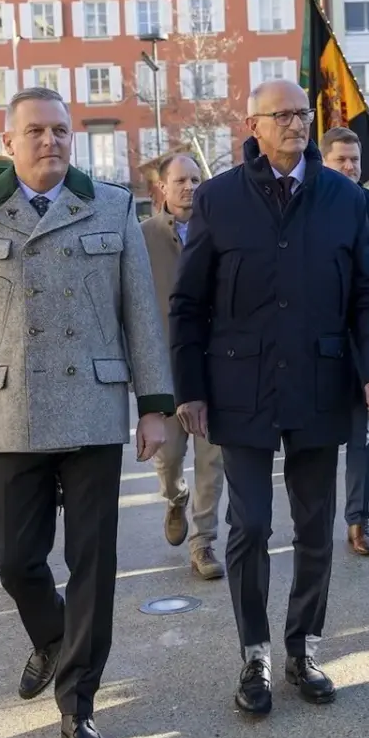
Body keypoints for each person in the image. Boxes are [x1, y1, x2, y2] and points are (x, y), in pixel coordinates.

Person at [0, 87, 172, 738]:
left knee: (94, 565)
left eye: (61, 131)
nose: (51, 141)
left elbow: (141, 316)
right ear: (9, 142)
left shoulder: (114, 205)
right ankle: (51, 636)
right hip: (11, 410)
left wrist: (153, 405)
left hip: (93, 406)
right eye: (35, 131)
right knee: (14, 558)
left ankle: (79, 707)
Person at [168, 79, 369, 719]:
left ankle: (304, 647)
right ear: (254, 125)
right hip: (240, 389)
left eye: (302, 114)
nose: (296, 124)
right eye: (282, 116)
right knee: (252, 525)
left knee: (315, 526)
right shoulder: (218, 200)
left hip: (322, 385)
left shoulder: (343, 199)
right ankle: (255, 653)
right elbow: (188, 306)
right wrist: (191, 390)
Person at [141, 151, 225, 580]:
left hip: (214, 366)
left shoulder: (221, 231)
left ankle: (203, 542)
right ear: (162, 188)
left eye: (196, 178)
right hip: (165, 369)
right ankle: (174, 498)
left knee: (212, 459)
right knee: (169, 457)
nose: (190, 187)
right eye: (181, 180)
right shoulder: (142, 238)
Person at [321, 126, 369, 557]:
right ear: (324, 161)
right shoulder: (309, 203)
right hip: (316, 342)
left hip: (364, 343)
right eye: (341, 160)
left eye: (355, 160)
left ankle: (358, 520)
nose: (351, 167)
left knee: (362, 436)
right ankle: (311, 521)